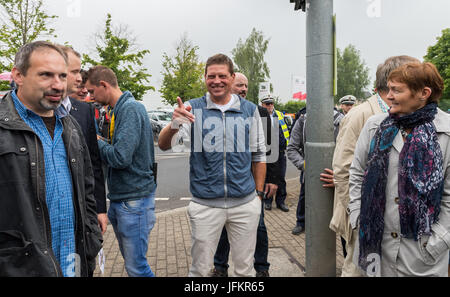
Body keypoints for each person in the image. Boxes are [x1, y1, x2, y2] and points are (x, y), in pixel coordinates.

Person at [158, 54, 266, 277]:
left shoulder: (250, 109)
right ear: (205, 77)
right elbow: (164, 145)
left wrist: (258, 195)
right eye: (211, 76)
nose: (217, 81)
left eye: (222, 76)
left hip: (245, 203)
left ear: (232, 77)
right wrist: (175, 123)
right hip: (205, 204)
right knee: (200, 270)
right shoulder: (192, 108)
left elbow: (259, 154)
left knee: (245, 270)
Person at [0, 41, 102, 276]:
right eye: (46, 75)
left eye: (62, 76)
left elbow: (87, 189)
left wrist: (91, 239)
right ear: (18, 75)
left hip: (73, 264)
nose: (58, 85)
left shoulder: (71, 127)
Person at [349, 62, 450, 277]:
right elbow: (357, 175)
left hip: (422, 252)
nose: (389, 96)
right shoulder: (375, 126)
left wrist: (439, 239)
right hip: (376, 248)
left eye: (396, 90)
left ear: (424, 93)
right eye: (388, 89)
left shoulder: (446, 132)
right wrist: (358, 217)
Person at [330, 55, 420, 277]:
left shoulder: (410, 115)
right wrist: (361, 217)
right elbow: (344, 172)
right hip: (367, 225)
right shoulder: (360, 116)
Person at [85, 65, 157, 277]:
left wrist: (96, 141)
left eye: (91, 91)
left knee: (137, 267)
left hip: (133, 200)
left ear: (104, 85)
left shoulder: (130, 109)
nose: (89, 97)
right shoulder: (119, 110)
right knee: (133, 265)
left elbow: (120, 157)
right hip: (124, 199)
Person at [211, 73, 281, 277]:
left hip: (253, 183)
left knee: (258, 226)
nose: (243, 89)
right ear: (229, 85)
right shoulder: (218, 111)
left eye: (246, 86)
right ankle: (220, 267)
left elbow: (271, 148)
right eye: (239, 85)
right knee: (222, 226)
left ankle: (262, 268)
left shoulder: (258, 111)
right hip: (225, 183)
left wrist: (272, 180)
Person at [58, 46, 107, 241]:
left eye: (80, 71)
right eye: (75, 72)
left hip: (81, 212)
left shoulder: (84, 110)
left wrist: (100, 208)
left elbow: (93, 164)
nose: (80, 79)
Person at [287, 106, 343, 235]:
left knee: (334, 203)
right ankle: (301, 222)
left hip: (333, 174)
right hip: (309, 173)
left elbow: (349, 152)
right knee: (304, 197)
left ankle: (334, 225)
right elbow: (292, 148)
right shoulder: (303, 120)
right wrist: (305, 165)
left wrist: (339, 173)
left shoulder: (341, 121)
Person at [261, 95, 290, 212]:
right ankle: (267, 201)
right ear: (262, 104)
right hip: (266, 152)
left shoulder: (279, 115)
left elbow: (285, 130)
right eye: (267, 104)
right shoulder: (259, 115)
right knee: (267, 177)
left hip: (280, 151)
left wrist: (285, 144)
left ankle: (280, 202)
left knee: (281, 178)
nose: (270, 106)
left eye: (271, 103)